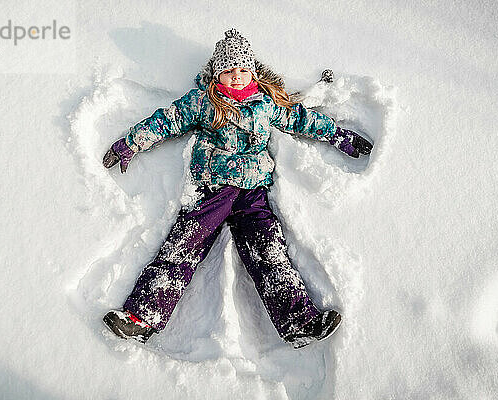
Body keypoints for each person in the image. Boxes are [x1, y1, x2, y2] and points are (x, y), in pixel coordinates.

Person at [101, 29, 372, 349]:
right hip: (211, 192)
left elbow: (303, 121)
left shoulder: (266, 104)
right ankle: (141, 317)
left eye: (242, 70)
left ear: (252, 72)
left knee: (270, 254)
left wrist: (338, 136)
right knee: (180, 248)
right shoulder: (203, 101)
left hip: (252, 193)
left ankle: (299, 322)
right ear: (217, 75)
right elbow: (165, 121)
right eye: (229, 71)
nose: (236, 77)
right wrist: (131, 143)